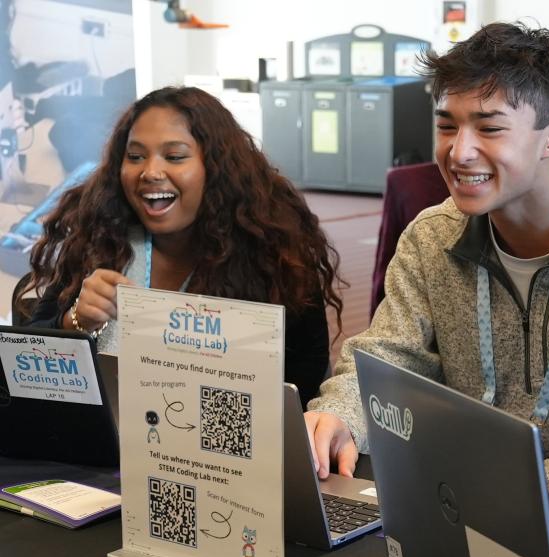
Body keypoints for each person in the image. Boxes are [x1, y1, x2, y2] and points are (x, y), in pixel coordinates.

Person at [305, 22, 549, 503]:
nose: (459, 151)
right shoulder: (431, 237)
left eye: (489, 128)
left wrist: (472, 493)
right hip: (457, 497)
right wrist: (340, 413)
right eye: (447, 125)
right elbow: (387, 355)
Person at [16, 86, 342, 407]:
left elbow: (304, 378)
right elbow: (28, 357)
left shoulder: (275, 256)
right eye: (135, 157)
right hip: (100, 451)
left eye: (174, 157)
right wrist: (76, 321)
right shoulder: (101, 242)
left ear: (216, 169)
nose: (151, 171)